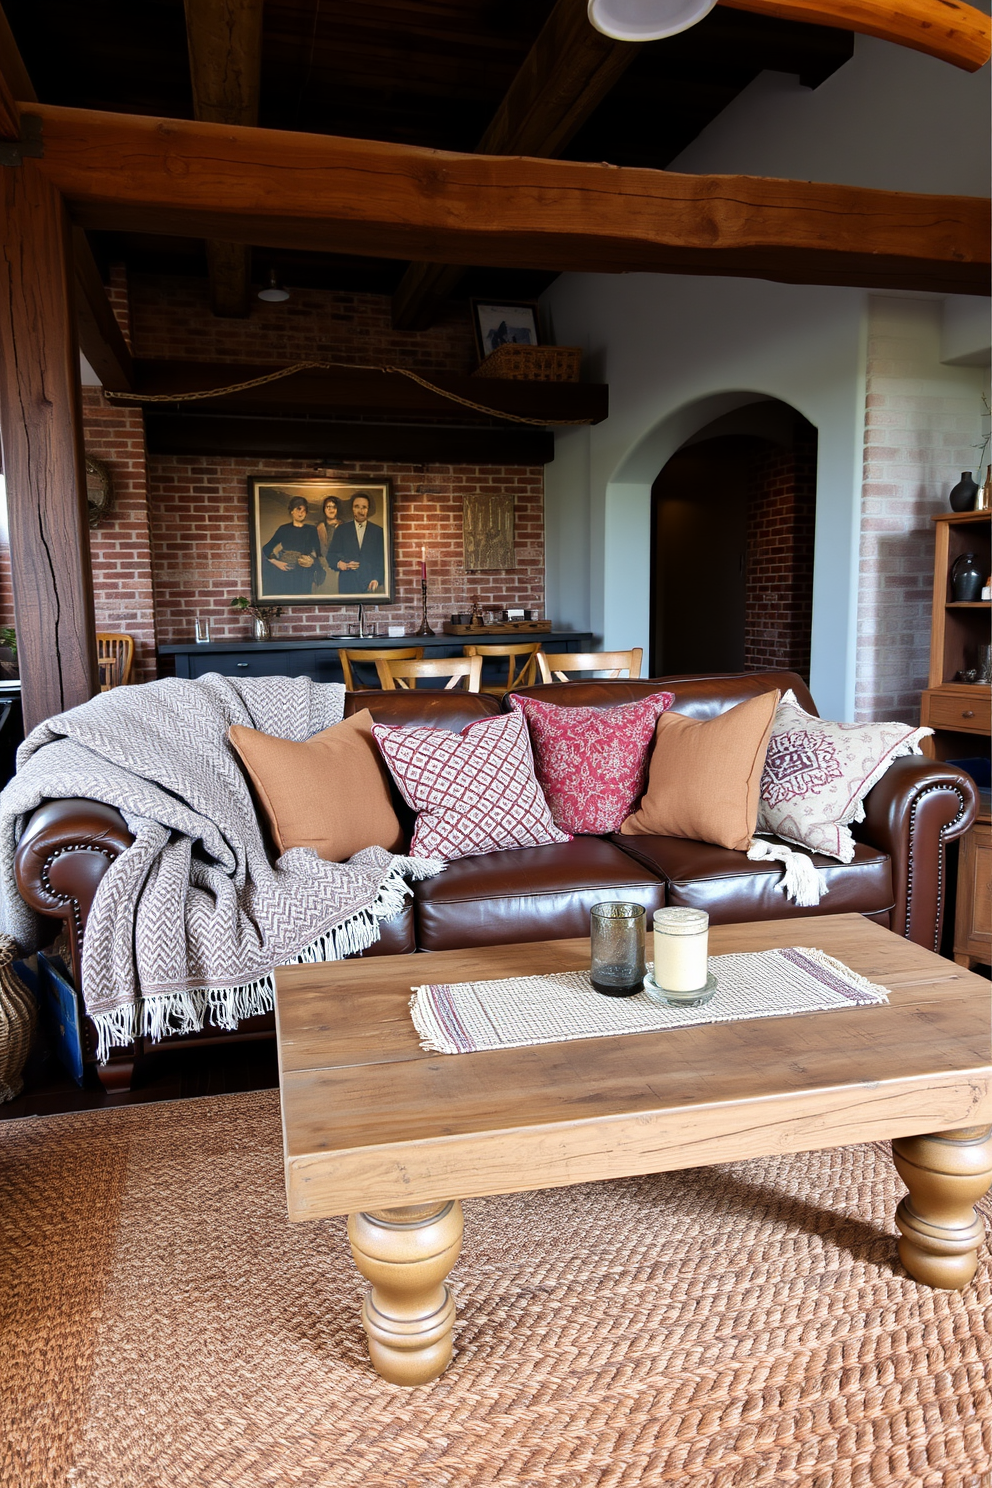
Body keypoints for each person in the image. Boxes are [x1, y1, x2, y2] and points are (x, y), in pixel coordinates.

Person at [260, 497, 320, 596]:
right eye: (298, 509)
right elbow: (267, 548)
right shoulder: (283, 529)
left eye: (304, 510)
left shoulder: (312, 530)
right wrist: (276, 562)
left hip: (305, 572)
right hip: (287, 572)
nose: (301, 513)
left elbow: (318, 551)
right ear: (292, 511)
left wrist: (312, 559)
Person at [327, 492, 385, 593]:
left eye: (364, 507)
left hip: (370, 585)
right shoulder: (342, 530)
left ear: (368, 510)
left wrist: (377, 579)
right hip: (347, 584)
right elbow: (331, 556)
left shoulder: (378, 532)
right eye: (357, 507)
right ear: (352, 509)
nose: (360, 511)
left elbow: (382, 560)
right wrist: (340, 564)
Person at [315, 495, 342, 594]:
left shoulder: (343, 527)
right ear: (324, 509)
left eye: (334, 507)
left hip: (339, 567)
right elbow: (316, 548)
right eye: (328, 507)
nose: (331, 510)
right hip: (322, 567)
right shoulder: (319, 527)